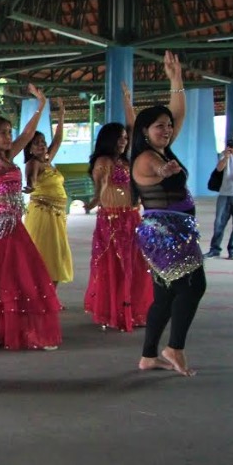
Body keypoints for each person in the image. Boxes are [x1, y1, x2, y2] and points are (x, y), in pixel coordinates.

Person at [0, 84, 62, 351]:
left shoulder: (8, 157)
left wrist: (41, 105)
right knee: (8, 278)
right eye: (2, 133)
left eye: (9, 132)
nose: (9, 137)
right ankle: (4, 330)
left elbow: (28, 133)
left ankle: (19, 330)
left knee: (23, 276)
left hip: (15, 224)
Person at [131, 51, 204, 377]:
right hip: (165, 234)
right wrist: (165, 170)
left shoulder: (162, 147)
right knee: (193, 285)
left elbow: (178, 113)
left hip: (174, 231)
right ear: (145, 130)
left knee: (166, 294)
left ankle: (148, 355)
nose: (168, 129)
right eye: (160, 126)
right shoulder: (147, 157)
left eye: (169, 126)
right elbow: (155, 170)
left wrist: (176, 79)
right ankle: (174, 347)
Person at [83, 122, 153, 332]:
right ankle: (117, 311)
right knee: (116, 266)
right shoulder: (103, 161)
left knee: (137, 265)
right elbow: (101, 185)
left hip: (131, 218)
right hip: (112, 220)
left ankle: (134, 310)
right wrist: (95, 200)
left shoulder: (125, 161)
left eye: (125, 137)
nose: (124, 141)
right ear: (109, 139)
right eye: (120, 137)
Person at [23, 98, 73, 294]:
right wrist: (29, 187)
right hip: (43, 214)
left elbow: (58, 139)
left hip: (57, 215)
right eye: (36, 143)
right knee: (46, 255)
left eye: (43, 142)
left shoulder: (48, 160)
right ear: (30, 148)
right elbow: (31, 181)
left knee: (57, 254)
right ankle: (42, 295)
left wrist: (60, 116)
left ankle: (50, 295)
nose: (42, 145)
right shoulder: (33, 164)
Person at [204, 128, 233, 260]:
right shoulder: (225, 153)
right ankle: (215, 250)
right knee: (219, 223)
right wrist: (226, 156)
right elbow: (219, 168)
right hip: (225, 193)